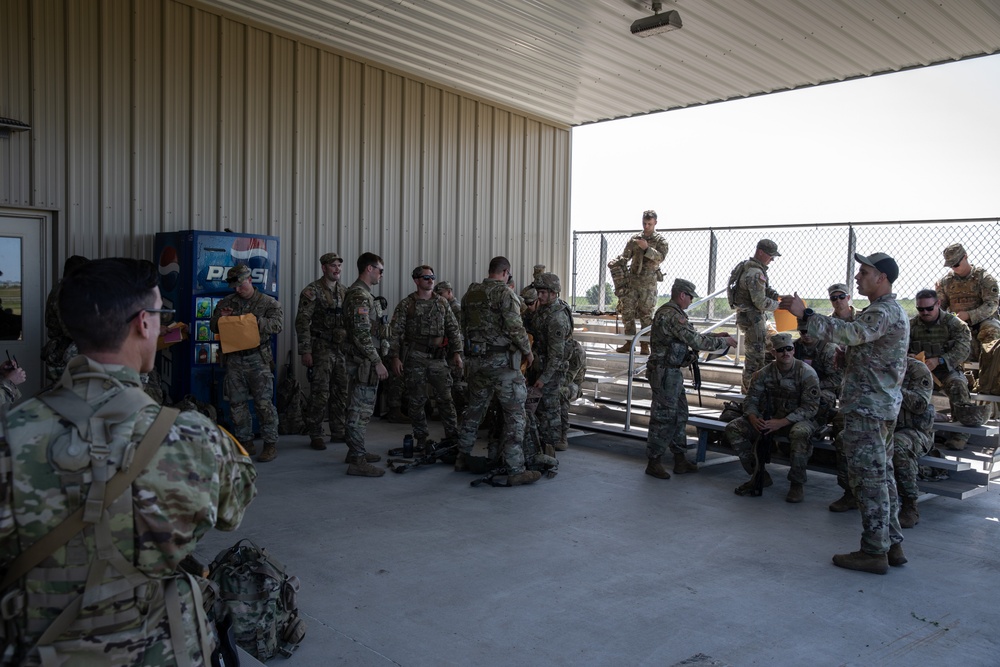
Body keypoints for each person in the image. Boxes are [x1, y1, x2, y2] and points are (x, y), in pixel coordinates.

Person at [0, 258, 256, 665]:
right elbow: (232, 511)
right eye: (160, 314)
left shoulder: (10, 434)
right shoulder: (193, 436)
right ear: (144, 323)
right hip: (158, 649)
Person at [784, 252, 909, 575]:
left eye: (864, 272)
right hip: (877, 407)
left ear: (881, 277)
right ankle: (891, 544)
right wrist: (850, 359)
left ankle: (873, 551)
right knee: (882, 477)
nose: (858, 277)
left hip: (868, 409)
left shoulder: (883, 311)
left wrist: (805, 313)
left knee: (868, 480)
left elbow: (850, 333)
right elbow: (863, 346)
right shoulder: (886, 312)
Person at [454, 256, 539, 486]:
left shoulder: (470, 294)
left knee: (473, 411)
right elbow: (515, 327)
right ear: (506, 272)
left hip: (476, 363)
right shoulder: (505, 294)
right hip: (503, 365)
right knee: (514, 415)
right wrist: (528, 351)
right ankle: (515, 469)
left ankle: (462, 456)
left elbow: (464, 327)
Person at [647, 279, 737, 479]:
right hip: (665, 373)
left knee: (680, 415)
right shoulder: (671, 315)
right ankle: (654, 461)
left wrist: (717, 335)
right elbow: (695, 340)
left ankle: (680, 459)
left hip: (672, 373)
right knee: (663, 418)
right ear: (682, 295)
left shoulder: (675, 314)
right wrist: (723, 341)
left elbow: (690, 336)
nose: (690, 301)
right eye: (690, 297)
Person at [724, 332, 820, 501]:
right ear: (774, 353)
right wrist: (753, 417)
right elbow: (751, 400)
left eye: (789, 349)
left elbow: (810, 407)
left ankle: (796, 484)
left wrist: (782, 422)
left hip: (797, 420)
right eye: (781, 350)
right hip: (769, 420)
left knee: (800, 433)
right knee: (734, 428)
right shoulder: (763, 374)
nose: (786, 353)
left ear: (794, 350)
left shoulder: (807, 373)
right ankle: (758, 474)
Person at [210, 264, 283, 462]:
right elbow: (212, 326)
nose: (237, 290)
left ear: (250, 280)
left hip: (258, 359)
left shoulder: (268, 303)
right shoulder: (227, 302)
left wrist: (253, 321)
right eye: (234, 286)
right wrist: (221, 319)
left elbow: (277, 325)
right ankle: (245, 442)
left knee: (263, 404)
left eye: (240, 285)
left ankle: (269, 444)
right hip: (234, 359)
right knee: (237, 404)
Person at [388, 265, 464, 450]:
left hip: (438, 358)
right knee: (417, 400)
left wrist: (457, 353)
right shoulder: (407, 304)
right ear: (416, 281)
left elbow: (453, 329)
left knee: (446, 398)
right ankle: (421, 438)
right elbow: (395, 333)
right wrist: (395, 357)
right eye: (426, 278)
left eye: (432, 277)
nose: (430, 281)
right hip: (415, 356)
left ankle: (453, 437)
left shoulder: (442, 303)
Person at [908, 288, 985, 450]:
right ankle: (911, 428)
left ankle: (960, 435)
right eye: (920, 309)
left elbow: (963, 349)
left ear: (938, 304)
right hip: (918, 371)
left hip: (945, 371)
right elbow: (901, 347)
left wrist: (940, 360)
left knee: (957, 384)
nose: (925, 312)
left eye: (929, 308)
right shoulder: (912, 325)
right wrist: (912, 357)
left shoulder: (954, 324)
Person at [295, 252, 349, 450]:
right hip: (321, 347)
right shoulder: (312, 291)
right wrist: (305, 351)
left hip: (341, 348)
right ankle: (315, 432)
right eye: (333, 265)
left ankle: (338, 430)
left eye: (339, 266)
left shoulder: (345, 292)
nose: (337, 269)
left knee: (341, 390)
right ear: (324, 268)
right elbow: (302, 322)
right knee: (320, 392)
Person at [342, 253, 390, 476]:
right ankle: (357, 461)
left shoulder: (364, 295)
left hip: (364, 361)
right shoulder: (359, 296)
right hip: (364, 362)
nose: (381, 274)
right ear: (369, 269)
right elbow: (361, 335)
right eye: (380, 269)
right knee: (359, 411)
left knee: (361, 409)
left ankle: (355, 452)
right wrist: (378, 361)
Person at [729, 239, 786, 393]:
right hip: (753, 321)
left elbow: (763, 290)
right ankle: (748, 397)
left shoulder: (749, 268)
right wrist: (780, 306)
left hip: (750, 319)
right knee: (754, 362)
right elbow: (760, 302)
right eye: (770, 256)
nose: (772, 260)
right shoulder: (755, 272)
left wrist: (777, 296)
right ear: (760, 252)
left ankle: (752, 395)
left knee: (766, 352)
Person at [610, 210, 668, 355]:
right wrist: (616, 262)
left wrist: (647, 248)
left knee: (646, 314)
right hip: (632, 281)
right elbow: (625, 256)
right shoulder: (635, 239)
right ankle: (629, 342)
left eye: (649, 224)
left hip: (648, 283)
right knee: (627, 311)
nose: (646, 226)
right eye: (644, 223)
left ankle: (645, 345)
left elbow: (660, 257)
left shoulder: (660, 241)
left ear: (655, 223)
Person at [528, 272, 573, 453]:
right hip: (541, 366)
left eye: (543, 292)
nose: (539, 296)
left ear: (554, 293)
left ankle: (551, 446)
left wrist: (544, 378)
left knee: (550, 409)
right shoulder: (544, 310)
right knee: (541, 409)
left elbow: (556, 355)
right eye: (538, 292)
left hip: (551, 370)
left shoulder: (557, 318)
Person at [936, 243, 1000, 362]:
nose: (954, 268)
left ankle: (990, 371)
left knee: (991, 330)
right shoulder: (946, 282)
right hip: (957, 321)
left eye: (956, 264)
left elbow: (991, 304)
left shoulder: (984, 278)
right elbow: (941, 307)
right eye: (950, 265)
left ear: (965, 256)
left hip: (983, 321)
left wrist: (969, 315)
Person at [893, 357, 935, 529]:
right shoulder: (877, 365)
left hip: (915, 431)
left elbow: (920, 405)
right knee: (848, 437)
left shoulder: (917, 369)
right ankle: (851, 493)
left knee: (898, 445)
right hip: (885, 426)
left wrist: (892, 387)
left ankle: (910, 505)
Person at [41, 255, 89, 383]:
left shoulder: (57, 290)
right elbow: (75, 329)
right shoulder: (72, 291)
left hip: (60, 353)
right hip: (73, 354)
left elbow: (52, 325)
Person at [794, 319, 842, 425]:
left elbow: (837, 379)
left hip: (824, 388)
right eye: (803, 331)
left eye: (810, 330)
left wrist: (812, 386)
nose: (806, 334)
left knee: (823, 398)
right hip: (798, 386)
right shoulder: (794, 347)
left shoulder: (829, 349)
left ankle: (815, 424)